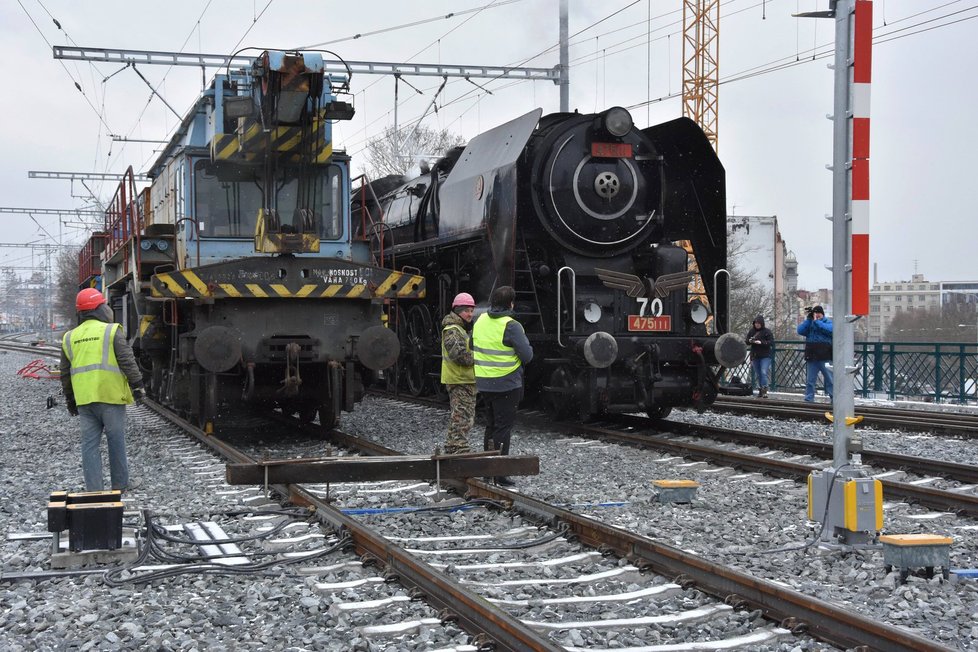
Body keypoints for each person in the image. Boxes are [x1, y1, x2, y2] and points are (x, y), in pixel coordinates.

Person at [60, 288, 144, 492]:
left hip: (84, 400)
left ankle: (94, 489)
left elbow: (65, 373)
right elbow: (127, 360)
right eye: (104, 305)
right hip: (110, 397)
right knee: (116, 441)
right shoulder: (111, 331)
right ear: (99, 309)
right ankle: (120, 484)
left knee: (89, 445)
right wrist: (137, 385)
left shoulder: (69, 337)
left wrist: (70, 400)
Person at [472, 286, 533, 487]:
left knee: (490, 426)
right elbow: (527, 355)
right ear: (511, 304)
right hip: (506, 383)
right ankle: (499, 472)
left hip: (484, 382)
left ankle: (487, 469)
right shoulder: (511, 325)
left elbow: (473, 345)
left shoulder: (480, 320)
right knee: (503, 428)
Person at [441, 292, 477, 454]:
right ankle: (457, 447)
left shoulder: (459, 329)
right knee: (461, 416)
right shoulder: (453, 330)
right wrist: (479, 357)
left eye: (471, 310)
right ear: (457, 311)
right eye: (466, 310)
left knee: (463, 416)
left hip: (463, 379)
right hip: (459, 380)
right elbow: (460, 356)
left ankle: (455, 446)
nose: (470, 314)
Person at [797, 305, 833, 402]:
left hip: (825, 355)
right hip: (812, 356)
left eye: (818, 313)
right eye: (815, 314)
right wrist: (809, 320)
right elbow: (800, 330)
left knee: (830, 379)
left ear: (822, 314)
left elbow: (830, 330)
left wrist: (817, 322)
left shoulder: (828, 322)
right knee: (810, 381)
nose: (817, 315)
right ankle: (809, 399)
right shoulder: (810, 323)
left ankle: (834, 398)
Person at [745, 315, 774, 398]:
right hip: (755, 355)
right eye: (755, 323)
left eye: (758, 323)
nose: (757, 325)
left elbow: (771, 342)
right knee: (759, 374)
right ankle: (761, 389)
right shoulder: (752, 331)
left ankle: (764, 388)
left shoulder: (767, 332)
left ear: (762, 323)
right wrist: (750, 341)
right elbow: (747, 341)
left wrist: (761, 342)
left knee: (763, 372)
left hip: (765, 355)